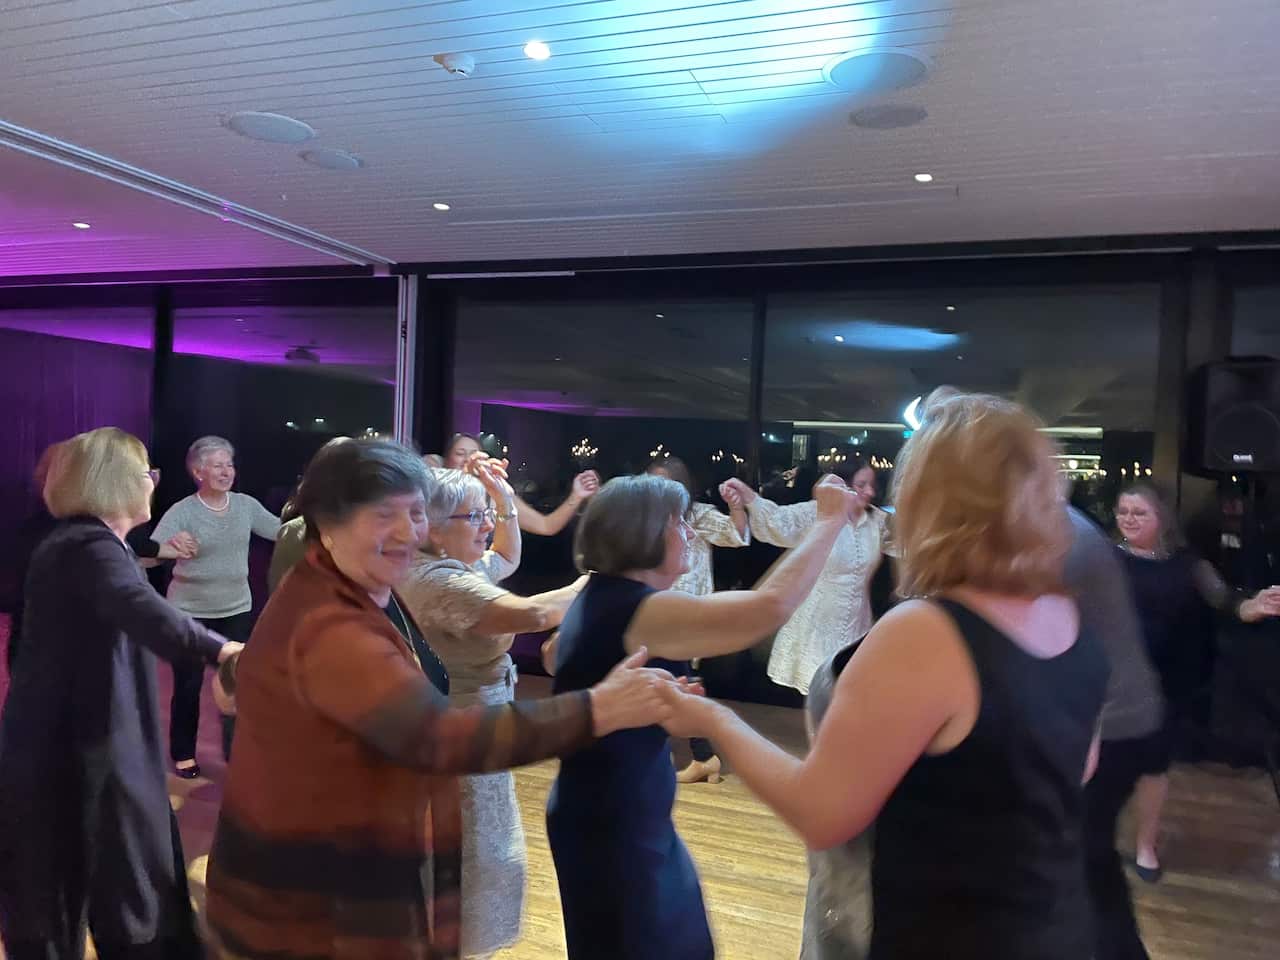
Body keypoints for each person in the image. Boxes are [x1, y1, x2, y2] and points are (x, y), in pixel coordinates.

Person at [661, 390, 1109, 960]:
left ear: (930, 497)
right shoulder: (1067, 614)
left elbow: (822, 815)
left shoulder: (927, 633)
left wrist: (712, 719)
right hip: (1051, 923)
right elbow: (1081, 766)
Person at [203, 439, 678, 960]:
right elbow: (442, 736)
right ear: (328, 523)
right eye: (384, 515)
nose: (408, 533)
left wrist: (233, 667)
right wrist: (600, 707)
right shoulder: (334, 625)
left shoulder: (337, 588)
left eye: (415, 513)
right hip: (308, 898)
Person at [547, 472, 859, 960]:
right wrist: (829, 520)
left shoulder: (604, 597)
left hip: (614, 811)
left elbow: (554, 656)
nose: (690, 533)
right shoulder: (637, 609)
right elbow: (766, 609)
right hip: (611, 821)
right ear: (642, 535)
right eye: (679, 524)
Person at [0, 427, 242, 960]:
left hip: (73, 743)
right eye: (146, 472)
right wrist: (223, 652)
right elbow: (144, 609)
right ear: (118, 482)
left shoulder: (84, 544)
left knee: (83, 885)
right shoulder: (87, 546)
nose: (153, 481)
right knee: (114, 883)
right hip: (78, 750)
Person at [401, 464, 587, 959]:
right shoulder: (437, 581)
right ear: (433, 528)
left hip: (480, 723)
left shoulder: (452, 566)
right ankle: (457, 944)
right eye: (475, 516)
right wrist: (598, 580)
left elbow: (506, 552)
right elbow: (535, 615)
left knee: (482, 843)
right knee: (475, 849)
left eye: (487, 515)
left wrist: (501, 497)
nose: (487, 525)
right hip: (461, 730)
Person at [1112, 483, 1280, 882]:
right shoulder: (1103, 558)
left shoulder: (1187, 564)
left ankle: (1146, 846)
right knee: (1095, 766)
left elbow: (1223, 599)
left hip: (1162, 685)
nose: (1128, 519)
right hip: (1107, 680)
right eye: (1122, 512)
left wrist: (1253, 605)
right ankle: (1083, 844)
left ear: (1161, 518)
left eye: (1139, 512)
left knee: (1153, 769)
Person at [152, 435, 280, 775]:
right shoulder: (183, 511)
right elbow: (146, 556)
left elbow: (282, 531)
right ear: (198, 472)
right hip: (189, 612)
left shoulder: (245, 506)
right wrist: (169, 544)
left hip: (236, 608)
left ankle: (236, 753)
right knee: (189, 685)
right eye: (218, 465)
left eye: (230, 464)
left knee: (236, 683)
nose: (227, 471)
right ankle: (183, 754)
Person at [721, 463, 890, 694]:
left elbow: (907, 541)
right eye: (861, 485)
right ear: (842, 486)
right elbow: (778, 521)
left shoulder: (876, 521)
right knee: (821, 697)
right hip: (815, 627)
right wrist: (749, 497)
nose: (869, 492)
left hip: (857, 626)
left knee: (850, 695)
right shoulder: (817, 513)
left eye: (872, 485)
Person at [647, 455, 749, 784]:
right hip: (654, 610)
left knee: (671, 682)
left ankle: (695, 757)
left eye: (668, 484)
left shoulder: (698, 517)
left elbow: (736, 534)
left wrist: (736, 505)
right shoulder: (646, 519)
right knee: (671, 682)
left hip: (687, 613)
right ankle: (703, 757)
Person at [442, 432, 600, 537]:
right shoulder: (436, 492)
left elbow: (546, 526)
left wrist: (577, 495)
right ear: (447, 460)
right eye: (460, 453)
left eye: (473, 454)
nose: (469, 460)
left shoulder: (496, 495)